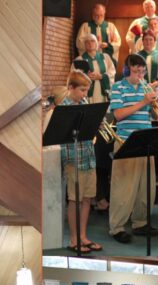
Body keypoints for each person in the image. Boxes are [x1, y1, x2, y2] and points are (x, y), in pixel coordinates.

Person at [108, 54, 158, 244]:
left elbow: (154, 114)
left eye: (142, 70)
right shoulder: (118, 87)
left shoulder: (146, 88)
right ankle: (117, 227)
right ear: (127, 69)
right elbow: (119, 115)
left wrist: (154, 103)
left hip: (146, 141)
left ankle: (140, 222)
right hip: (125, 141)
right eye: (136, 70)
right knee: (123, 189)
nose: (140, 74)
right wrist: (143, 102)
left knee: (146, 188)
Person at [58, 71, 101, 254]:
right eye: (82, 90)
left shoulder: (85, 104)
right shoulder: (63, 109)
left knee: (86, 199)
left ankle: (83, 236)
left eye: (86, 90)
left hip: (89, 158)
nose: (85, 94)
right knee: (74, 200)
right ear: (70, 88)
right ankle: (73, 239)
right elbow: (60, 136)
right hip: (73, 160)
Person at [75, 4, 121, 69]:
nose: (99, 17)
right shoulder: (85, 26)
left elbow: (118, 43)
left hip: (106, 61)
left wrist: (108, 45)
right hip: (89, 61)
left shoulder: (111, 27)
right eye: (97, 15)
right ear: (92, 15)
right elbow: (79, 43)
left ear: (104, 15)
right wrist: (92, 45)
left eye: (101, 15)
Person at [74, 34, 115, 102]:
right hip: (87, 95)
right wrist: (86, 77)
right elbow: (74, 77)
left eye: (92, 41)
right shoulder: (79, 59)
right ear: (84, 45)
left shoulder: (105, 57)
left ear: (96, 43)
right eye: (87, 42)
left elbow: (112, 72)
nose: (90, 43)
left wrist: (102, 76)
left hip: (103, 93)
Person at [136, 30, 158, 98]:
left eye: (151, 39)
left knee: (157, 108)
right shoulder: (136, 56)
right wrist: (144, 85)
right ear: (142, 41)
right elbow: (132, 74)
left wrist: (156, 83)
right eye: (146, 39)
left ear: (155, 42)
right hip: (140, 91)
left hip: (157, 90)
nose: (148, 42)